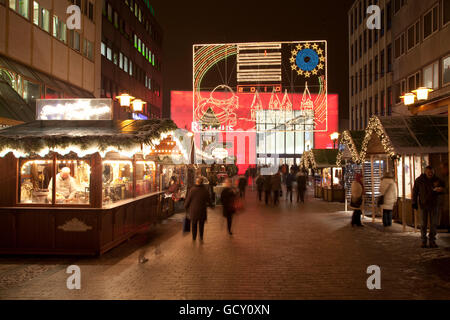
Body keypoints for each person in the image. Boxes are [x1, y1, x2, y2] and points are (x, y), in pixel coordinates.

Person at [412, 166, 445, 248]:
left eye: (432, 172)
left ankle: (432, 240)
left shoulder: (437, 180)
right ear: (425, 172)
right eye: (428, 172)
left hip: (434, 204)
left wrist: (441, 190)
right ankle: (423, 240)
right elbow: (415, 191)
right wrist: (414, 202)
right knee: (423, 224)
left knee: (434, 224)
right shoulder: (419, 180)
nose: (430, 174)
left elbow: (444, 189)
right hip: (423, 204)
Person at [184, 177, 211, 242]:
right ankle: (201, 237)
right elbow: (209, 200)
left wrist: (185, 206)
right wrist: (211, 205)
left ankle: (194, 237)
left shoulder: (192, 190)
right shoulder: (205, 190)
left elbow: (188, 200)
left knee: (194, 225)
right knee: (201, 225)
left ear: (196, 182)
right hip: (202, 211)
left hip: (194, 211)